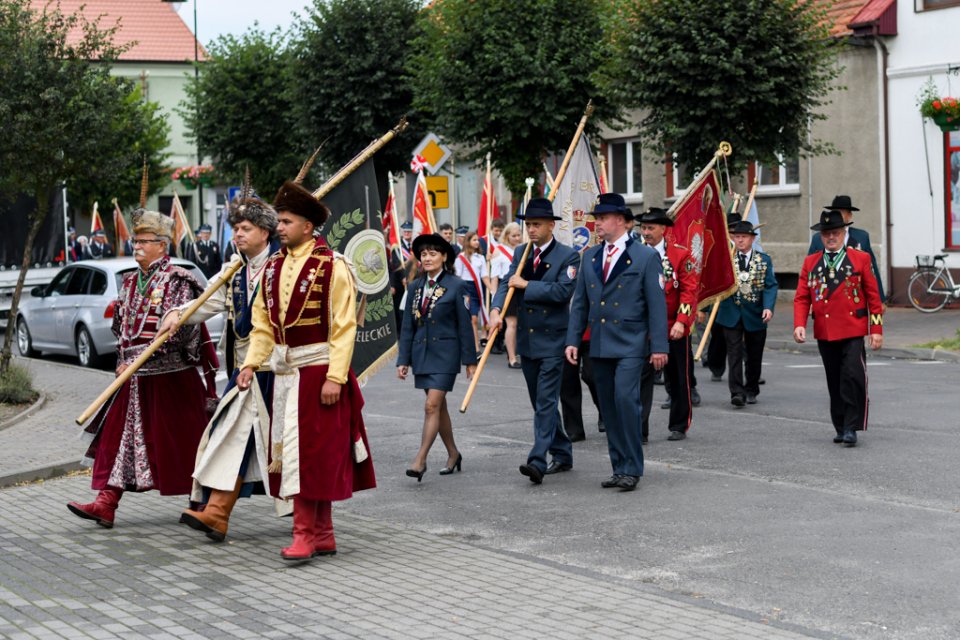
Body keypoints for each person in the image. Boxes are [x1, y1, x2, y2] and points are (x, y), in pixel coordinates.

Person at [236, 180, 376, 562]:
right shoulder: (272, 268)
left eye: (285, 221)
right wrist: (250, 363)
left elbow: (345, 326)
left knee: (315, 455)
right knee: (297, 454)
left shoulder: (334, 266)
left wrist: (335, 376)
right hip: (284, 375)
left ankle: (305, 535)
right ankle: (323, 534)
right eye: (278, 221)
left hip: (318, 372)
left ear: (307, 227)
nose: (278, 227)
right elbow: (263, 327)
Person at [67, 208, 218, 528]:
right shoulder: (130, 281)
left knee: (185, 441)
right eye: (134, 241)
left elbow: (184, 329)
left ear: (162, 245)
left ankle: (201, 502)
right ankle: (106, 503)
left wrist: (148, 354)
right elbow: (121, 328)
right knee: (117, 438)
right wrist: (124, 359)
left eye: (143, 241)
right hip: (133, 378)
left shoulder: (179, 279)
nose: (135, 246)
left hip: (172, 379)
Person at [159, 189, 282, 542]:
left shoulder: (283, 266)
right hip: (246, 371)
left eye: (245, 228)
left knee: (261, 442)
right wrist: (178, 316)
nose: (238, 234)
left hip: (278, 369)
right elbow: (205, 301)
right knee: (230, 434)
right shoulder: (234, 270)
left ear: (265, 232)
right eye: (236, 229)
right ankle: (215, 510)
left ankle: (218, 510)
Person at [565, 193, 668, 492]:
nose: (597, 223)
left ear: (622, 221)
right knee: (608, 408)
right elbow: (580, 303)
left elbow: (656, 304)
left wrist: (659, 346)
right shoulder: (591, 256)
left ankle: (632, 467)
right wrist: (573, 340)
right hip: (599, 343)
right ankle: (618, 466)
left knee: (626, 401)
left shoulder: (646, 256)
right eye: (596, 218)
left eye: (603, 218)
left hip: (631, 342)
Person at [489, 198, 579, 484]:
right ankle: (563, 452)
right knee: (541, 403)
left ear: (551, 225)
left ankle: (537, 460)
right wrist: (495, 309)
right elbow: (506, 282)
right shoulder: (521, 252)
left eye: (537, 224)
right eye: (528, 224)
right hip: (528, 340)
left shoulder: (569, 256)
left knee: (545, 401)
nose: (531, 230)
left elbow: (562, 292)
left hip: (553, 340)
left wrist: (527, 285)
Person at [794, 209, 883, 447]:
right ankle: (841, 425)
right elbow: (802, 297)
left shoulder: (859, 258)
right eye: (826, 234)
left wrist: (876, 330)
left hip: (853, 329)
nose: (830, 238)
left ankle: (852, 427)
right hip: (825, 329)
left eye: (835, 233)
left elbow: (873, 297)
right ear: (821, 237)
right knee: (834, 380)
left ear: (844, 233)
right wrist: (799, 324)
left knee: (853, 375)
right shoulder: (811, 262)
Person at [396, 233, 477, 481]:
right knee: (438, 408)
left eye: (432, 253)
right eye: (423, 254)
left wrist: (470, 360)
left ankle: (420, 460)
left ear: (444, 257)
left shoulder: (457, 285)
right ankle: (453, 453)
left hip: (446, 354)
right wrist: (403, 360)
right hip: (421, 355)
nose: (427, 258)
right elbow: (408, 326)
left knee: (431, 405)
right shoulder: (414, 287)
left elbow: (465, 325)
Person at [636, 208, 699, 441]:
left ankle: (679, 424)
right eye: (643, 228)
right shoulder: (636, 254)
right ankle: (640, 428)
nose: (646, 232)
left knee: (678, 377)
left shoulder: (680, 255)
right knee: (642, 379)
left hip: (673, 325)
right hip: (644, 328)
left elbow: (689, 292)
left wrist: (682, 322)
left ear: (663, 229)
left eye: (651, 228)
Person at [714, 220, 778, 407]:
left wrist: (768, 307)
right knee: (733, 354)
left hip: (755, 313)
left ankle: (751, 389)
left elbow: (770, 286)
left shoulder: (764, 260)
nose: (740, 241)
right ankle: (737, 392)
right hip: (731, 312)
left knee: (754, 354)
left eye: (744, 237)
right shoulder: (726, 259)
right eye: (737, 237)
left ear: (752, 239)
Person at [807, 195, 885, 303]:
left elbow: (873, 270)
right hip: (826, 298)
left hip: (853, 299)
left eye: (842, 212)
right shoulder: (818, 238)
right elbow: (810, 271)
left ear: (850, 215)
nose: (838, 215)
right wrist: (810, 300)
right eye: (836, 212)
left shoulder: (862, 237)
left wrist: (880, 299)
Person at [454, 230, 489, 356]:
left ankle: (475, 348)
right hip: (464, 289)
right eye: (474, 240)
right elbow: (457, 276)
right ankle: (473, 348)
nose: (477, 242)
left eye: (477, 240)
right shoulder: (461, 257)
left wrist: (492, 289)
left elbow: (484, 275)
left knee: (474, 319)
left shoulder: (480, 258)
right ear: (468, 242)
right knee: (470, 319)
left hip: (476, 288)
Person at [491, 222, 521, 364]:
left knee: (520, 324)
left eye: (518, 235)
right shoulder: (499, 250)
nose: (517, 238)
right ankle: (512, 357)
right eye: (513, 235)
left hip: (522, 288)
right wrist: (495, 297)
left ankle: (518, 352)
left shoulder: (524, 249)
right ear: (507, 235)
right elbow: (495, 276)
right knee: (512, 324)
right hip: (507, 289)